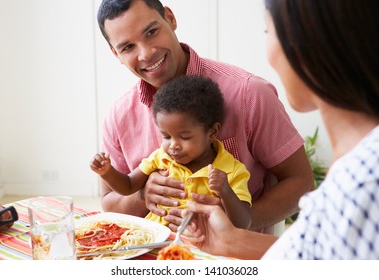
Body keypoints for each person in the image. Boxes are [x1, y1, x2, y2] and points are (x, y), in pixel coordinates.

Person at [183, 0, 379, 259]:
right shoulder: (358, 174)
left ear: (305, 42)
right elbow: (319, 257)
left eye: (268, 32)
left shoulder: (361, 184)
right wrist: (231, 241)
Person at [96, 0, 313, 232]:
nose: (146, 54)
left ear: (170, 18)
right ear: (115, 54)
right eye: (128, 47)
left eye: (151, 32)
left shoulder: (249, 94)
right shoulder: (118, 117)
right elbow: (109, 202)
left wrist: (230, 226)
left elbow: (301, 182)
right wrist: (141, 196)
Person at [91, 75, 252, 228]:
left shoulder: (232, 170)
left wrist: (225, 191)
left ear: (212, 132)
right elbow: (128, 186)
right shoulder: (161, 157)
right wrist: (107, 172)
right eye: (166, 136)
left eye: (184, 137)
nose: (173, 145)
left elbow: (243, 223)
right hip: (155, 242)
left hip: (203, 249)